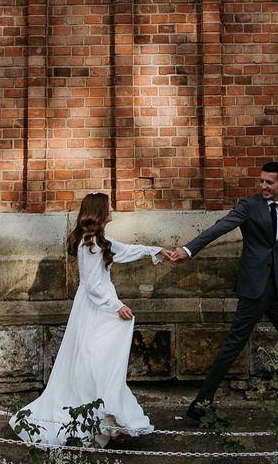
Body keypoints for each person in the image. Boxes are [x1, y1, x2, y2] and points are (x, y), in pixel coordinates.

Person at [167, 161, 278, 417]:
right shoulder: (249, 206)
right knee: (233, 345)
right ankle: (200, 405)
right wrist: (189, 250)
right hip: (254, 290)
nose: (263, 186)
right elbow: (220, 227)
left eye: (269, 182)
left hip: (275, 291)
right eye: (261, 181)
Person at [13, 191, 166, 447]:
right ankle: (96, 417)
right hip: (96, 307)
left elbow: (125, 250)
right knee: (94, 361)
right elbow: (94, 285)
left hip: (93, 305)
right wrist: (117, 305)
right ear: (99, 210)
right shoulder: (92, 243)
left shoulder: (97, 240)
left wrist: (156, 251)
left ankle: (104, 416)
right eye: (109, 204)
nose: (113, 207)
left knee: (97, 361)